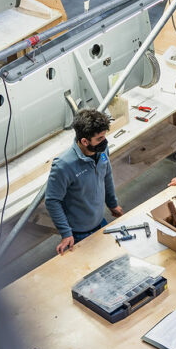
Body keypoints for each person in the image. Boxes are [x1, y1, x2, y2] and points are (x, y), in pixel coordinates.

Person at [46, 109, 125, 255]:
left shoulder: (102, 151)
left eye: (104, 136)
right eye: (100, 139)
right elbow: (52, 200)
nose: (105, 142)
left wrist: (112, 204)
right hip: (78, 234)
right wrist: (66, 233)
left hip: (100, 222)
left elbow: (106, 176)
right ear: (84, 141)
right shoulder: (64, 165)